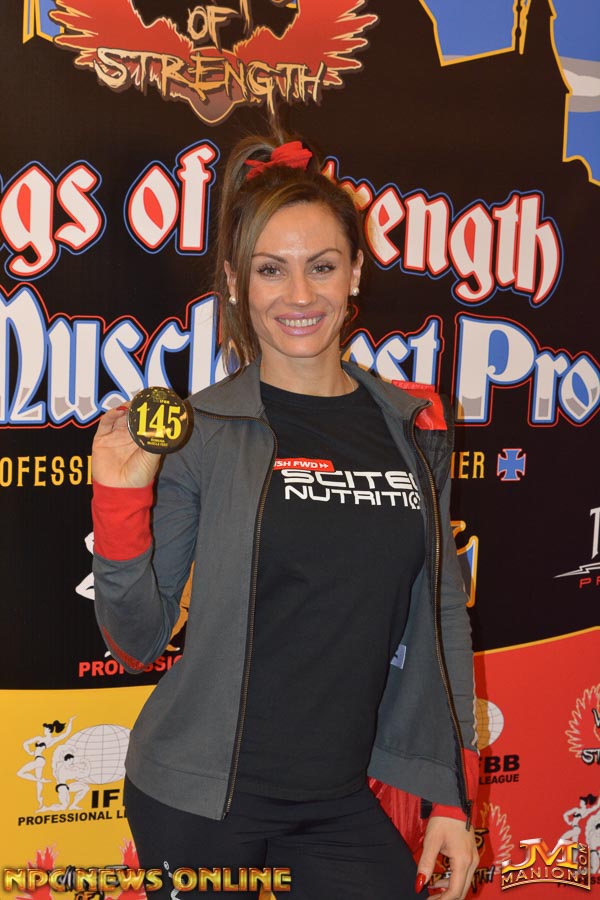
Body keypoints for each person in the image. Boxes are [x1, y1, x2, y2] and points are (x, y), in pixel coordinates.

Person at [91, 132, 479, 899]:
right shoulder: (203, 430)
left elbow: (439, 612)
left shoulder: (413, 426)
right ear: (236, 284)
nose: (299, 295)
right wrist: (120, 498)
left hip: (338, 799)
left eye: (322, 266)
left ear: (355, 271)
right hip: (197, 802)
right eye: (272, 269)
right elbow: (136, 639)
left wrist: (448, 793)